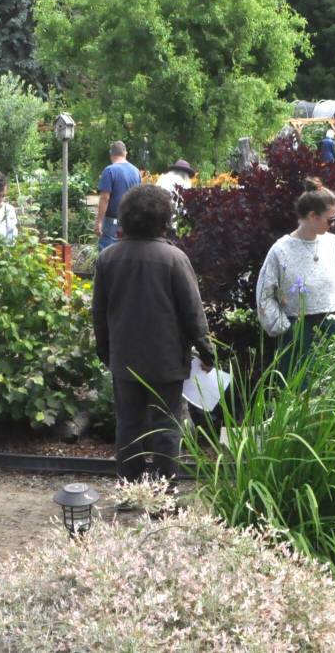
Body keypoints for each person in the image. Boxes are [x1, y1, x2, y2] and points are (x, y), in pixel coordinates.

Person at [92, 184, 215, 482]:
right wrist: (206, 350)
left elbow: (99, 313)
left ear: (125, 217)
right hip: (166, 359)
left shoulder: (108, 258)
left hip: (125, 358)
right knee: (166, 426)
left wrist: (106, 353)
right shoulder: (174, 258)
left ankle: (130, 486)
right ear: (164, 219)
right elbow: (192, 312)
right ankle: (163, 490)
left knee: (128, 425)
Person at [256, 178, 335, 374]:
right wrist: (285, 328)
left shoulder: (333, 243)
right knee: (299, 389)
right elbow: (264, 295)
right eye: (330, 219)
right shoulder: (281, 250)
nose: (333, 224)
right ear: (312, 216)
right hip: (298, 336)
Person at [95, 141, 141, 251]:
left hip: (113, 220)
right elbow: (139, 197)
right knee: (127, 252)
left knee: (107, 252)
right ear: (125, 153)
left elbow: (105, 198)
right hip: (130, 220)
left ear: (111, 155)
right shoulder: (136, 171)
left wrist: (99, 222)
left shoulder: (109, 170)